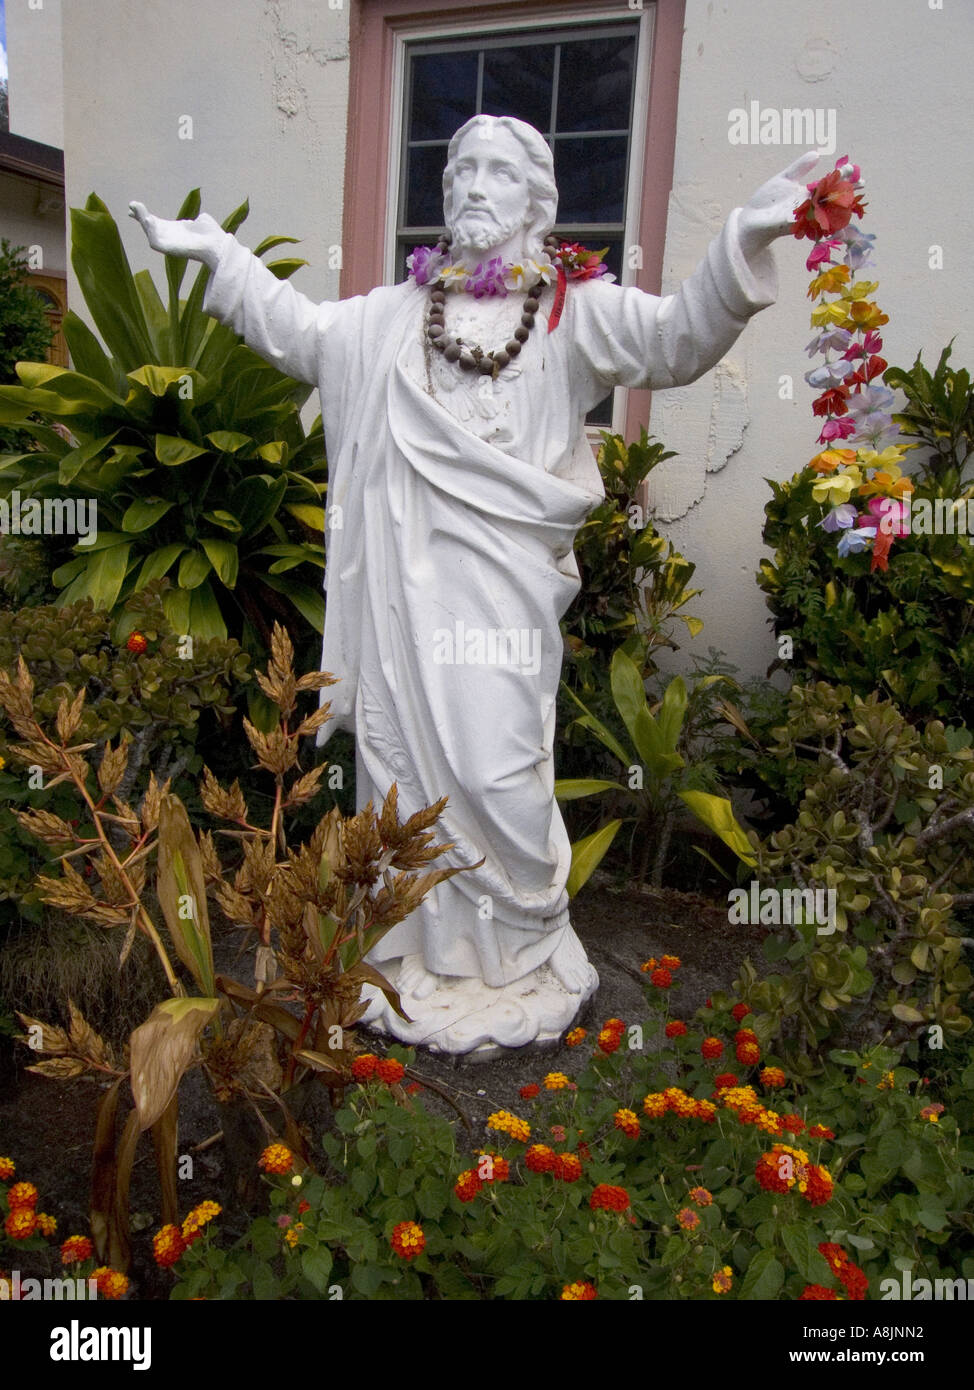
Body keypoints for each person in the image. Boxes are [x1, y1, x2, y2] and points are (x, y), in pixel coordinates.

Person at [131, 115, 818, 1052]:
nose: (472, 186)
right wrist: (222, 257)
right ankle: (418, 946)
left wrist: (740, 238)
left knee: (499, 768)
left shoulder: (573, 307)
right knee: (400, 769)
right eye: (460, 169)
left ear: (537, 202)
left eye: (498, 171)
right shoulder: (388, 318)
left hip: (501, 600)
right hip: (404, 599)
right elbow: (302, 334)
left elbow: (675, 340)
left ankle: (518, 950)